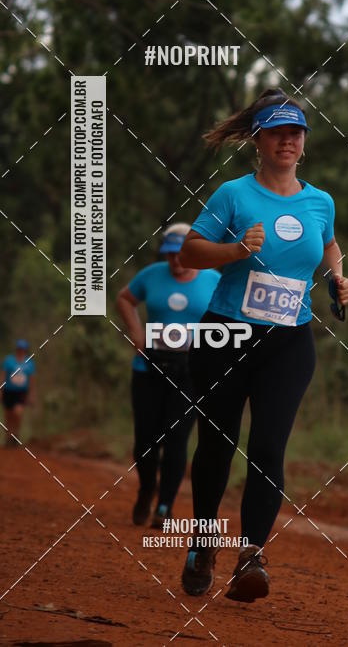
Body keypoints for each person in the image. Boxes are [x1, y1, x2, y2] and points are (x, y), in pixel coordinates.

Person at [178, 88, 348, 602]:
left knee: (269, 448)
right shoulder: (233, 194)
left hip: (289, 342)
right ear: (258, 139)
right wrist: (235, 249)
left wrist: (339, 278)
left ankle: (251, 556)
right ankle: (202, 542)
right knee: (216, 445)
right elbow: (191, 249)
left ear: (304, 142)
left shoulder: (320, 200)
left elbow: (328, 245)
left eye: (295, 132)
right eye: (277, 132)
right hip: (224, 336)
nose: (287, 140)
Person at [116, 223, 220, 528]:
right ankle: (147, 488)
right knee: (145, 440)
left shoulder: (213, 280)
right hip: (149, 367)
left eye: (181, 254)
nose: (176, 260)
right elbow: (125, 299)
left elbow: (227, 318)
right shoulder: (151, 275)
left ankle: (164, 505)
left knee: (176, 438)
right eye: (170, 254)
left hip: (190, 370)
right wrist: (136, 333)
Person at [1, 339, 36, 447]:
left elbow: (31, 380)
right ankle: (8, 438)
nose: (21, 351)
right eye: (19, 349)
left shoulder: (29, 363)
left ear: (25, 350)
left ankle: (15, 435)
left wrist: (32, 395)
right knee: (8, 415)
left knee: (18, 413)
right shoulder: (8, 361)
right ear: (17, 349)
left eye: (23, 349)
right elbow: (2, 376)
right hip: (8, 391)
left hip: (21, 392)